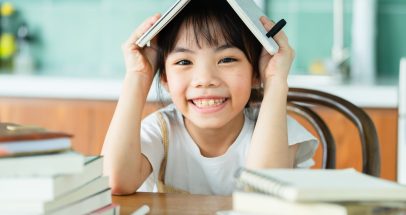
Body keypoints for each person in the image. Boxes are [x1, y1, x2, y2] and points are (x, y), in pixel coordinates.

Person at [102, 0, 317, 195]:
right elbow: (114, 181)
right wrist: (137, 76)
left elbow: (264, 193)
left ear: (255, 73)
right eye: (184, 62)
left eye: (227, 59)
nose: (205, 80)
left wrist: (275, 80)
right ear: (165, 78)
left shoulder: (277, 130)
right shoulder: (161, 130)